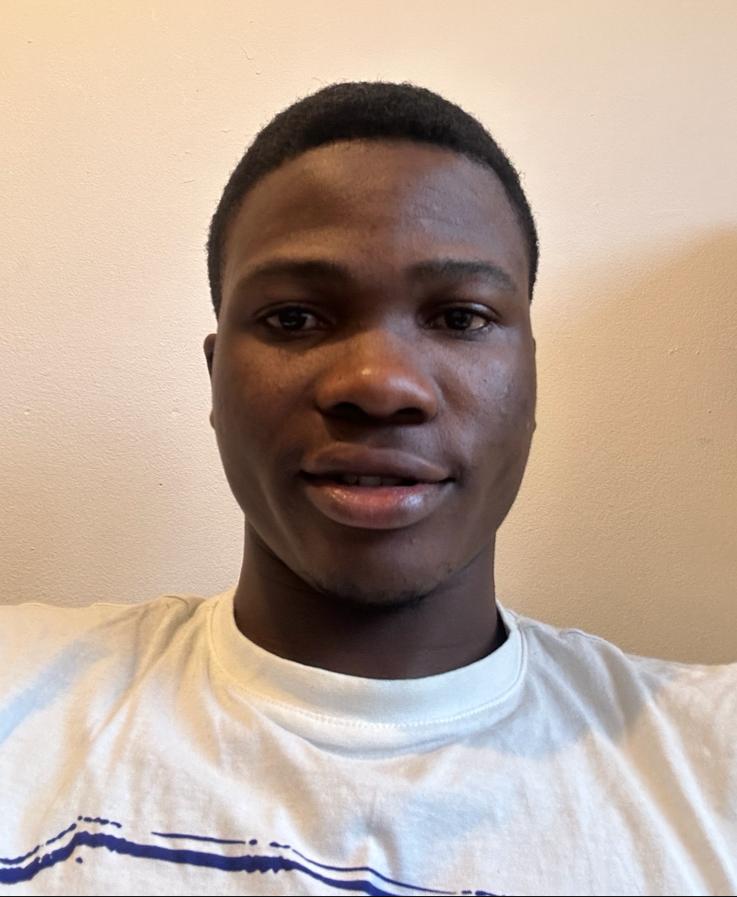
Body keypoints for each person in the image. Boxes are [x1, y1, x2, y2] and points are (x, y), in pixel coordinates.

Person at [1, 81, 734, 897]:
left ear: (529, 378)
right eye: (293, 318)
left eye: (459, 318)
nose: (380, 384)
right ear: (215, 379)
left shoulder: (711, 760)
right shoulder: (19, 689)